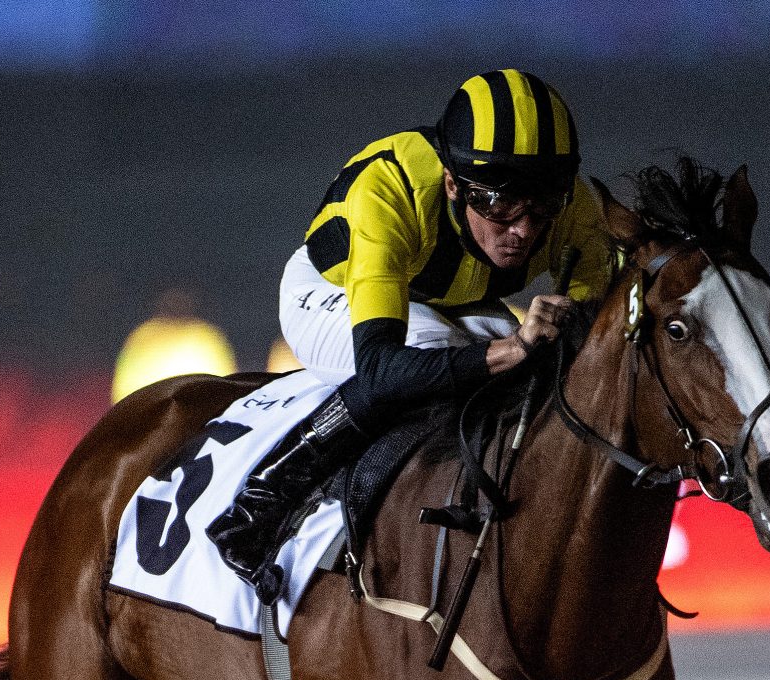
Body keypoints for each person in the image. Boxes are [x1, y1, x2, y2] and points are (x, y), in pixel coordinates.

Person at [207, 68, 613, 603]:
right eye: (498, 204)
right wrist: (511, 348)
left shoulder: (576, 208)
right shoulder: (390, 191)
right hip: (332, 290)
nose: (522, 228)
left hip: (446, 299)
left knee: (528, 362)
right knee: (433, 359)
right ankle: (258, 507)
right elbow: (381, 369)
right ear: (452, 183)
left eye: (541, 207)